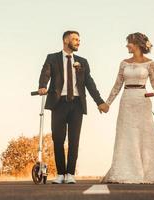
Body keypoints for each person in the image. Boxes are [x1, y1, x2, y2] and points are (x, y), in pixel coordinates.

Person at [38, 30, 109, 184]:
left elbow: (89, 83)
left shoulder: (82, 61)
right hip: (59, 103)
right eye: (75, 39)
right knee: (58, 139)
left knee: (74, 140)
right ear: (65, 40)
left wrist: (100, 101)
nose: (78, 42)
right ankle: (60, 174)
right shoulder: (52, 58)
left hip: (77, 104)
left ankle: (70, 174)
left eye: (79, 39)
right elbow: (45, 73)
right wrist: (42, 86)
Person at [101, 32, 154, 184]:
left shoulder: (150, 63)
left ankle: (151, 172)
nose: (127, 45)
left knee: (145, 134)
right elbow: (117, 85)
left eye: (129, 43)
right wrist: (107, 103)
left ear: (138, 44)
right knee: (126, 135)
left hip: (142, 99)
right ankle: (125, 171)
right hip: (126, 100)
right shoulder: (124, 63)